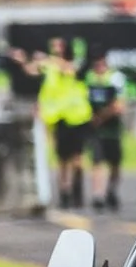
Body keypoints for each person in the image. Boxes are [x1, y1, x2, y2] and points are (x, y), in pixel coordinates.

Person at [36, 37, 93, 209]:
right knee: (62, 160)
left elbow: (70, 69)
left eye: (59, 46)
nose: (56, 50)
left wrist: (50, 60)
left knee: (78, 159)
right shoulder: (50, 69)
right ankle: (64, 192)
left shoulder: (75, 65)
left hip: (78, 118)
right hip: (59, 118)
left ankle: (77, 191)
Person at [85, 50, 130, 211]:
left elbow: (120, 106)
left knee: (114, 164)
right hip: (96, 130)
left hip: (112, 129)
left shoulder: (115, 78)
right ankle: (98, 195)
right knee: (97, 161)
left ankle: (111, 190)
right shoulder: (89, 78)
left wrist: (101, 117)